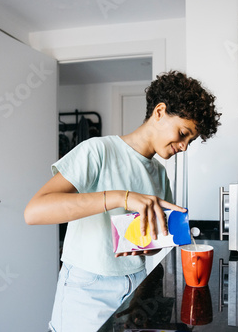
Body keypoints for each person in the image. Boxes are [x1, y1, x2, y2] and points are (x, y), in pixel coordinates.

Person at [24, 70, 221, 331]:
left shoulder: (159, 174)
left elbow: (150, 241)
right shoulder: (98, 151)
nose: (184, 146)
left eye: (191, 140)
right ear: (159, 112)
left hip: (136, 285)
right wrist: (121, 197)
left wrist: (147, 244)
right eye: (183, 133)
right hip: (88, 289)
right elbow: (34, 211)